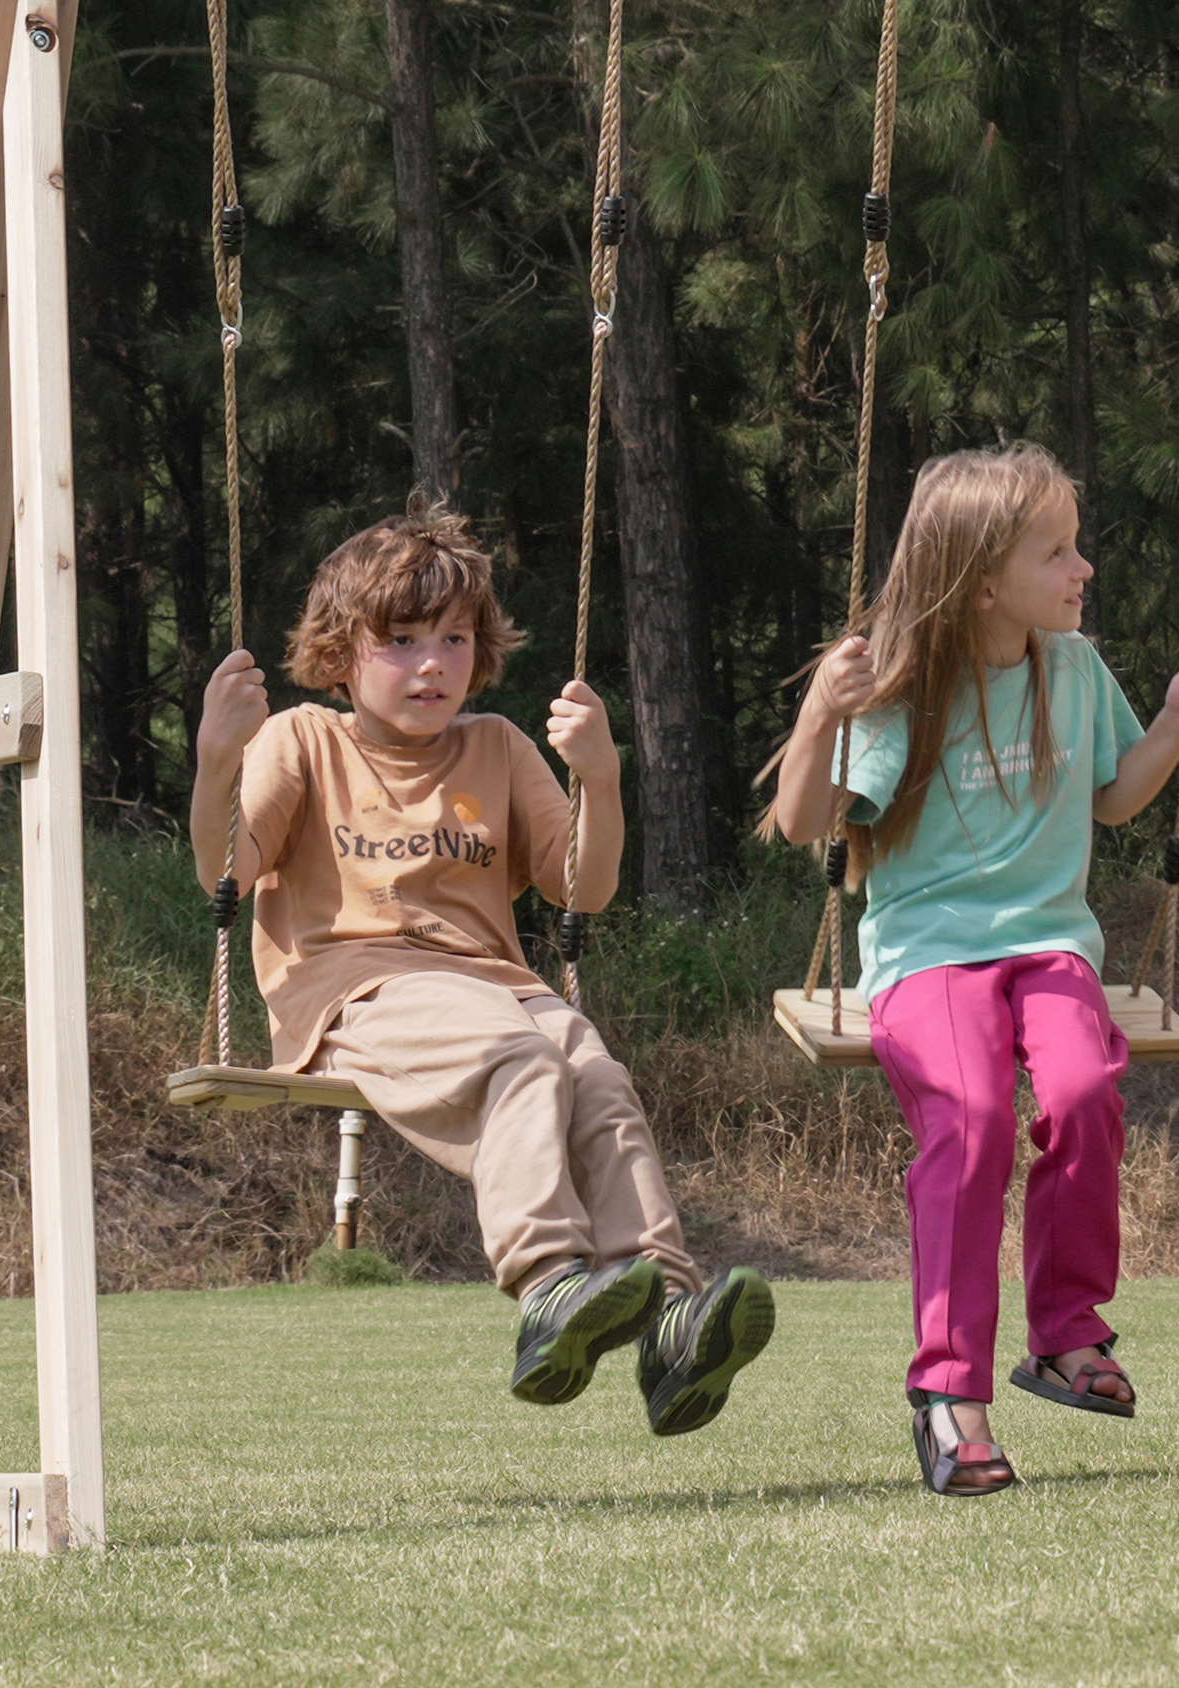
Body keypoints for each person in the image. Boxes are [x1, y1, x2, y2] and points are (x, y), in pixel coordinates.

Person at [192, 506, 773, 1435]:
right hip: (358, 989)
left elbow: (584, 887)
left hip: (500, 987)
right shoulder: (303, 739)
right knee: (524, 1057)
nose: (433, 662)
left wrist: (603, 777)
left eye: (454, 638)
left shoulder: (498, 745)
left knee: (598, 1078)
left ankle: (667, 1314)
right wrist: (218, 758)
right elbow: (227, 869)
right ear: (341, 653)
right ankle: (550, 1284)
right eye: (403, 640)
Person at [764, 444, 1179, 1498]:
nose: (1084, 569)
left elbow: (1113, 799)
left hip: (1048, 944)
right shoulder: (904, 688)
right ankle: (947, 1394)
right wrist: (820, 714)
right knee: (970, 1123)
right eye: (1056, 551)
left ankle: (1064, 1334)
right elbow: (802, 824)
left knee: (1080, 1087)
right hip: (926, 952)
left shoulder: (1071, 668)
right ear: (981, 580)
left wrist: (1168, 726)